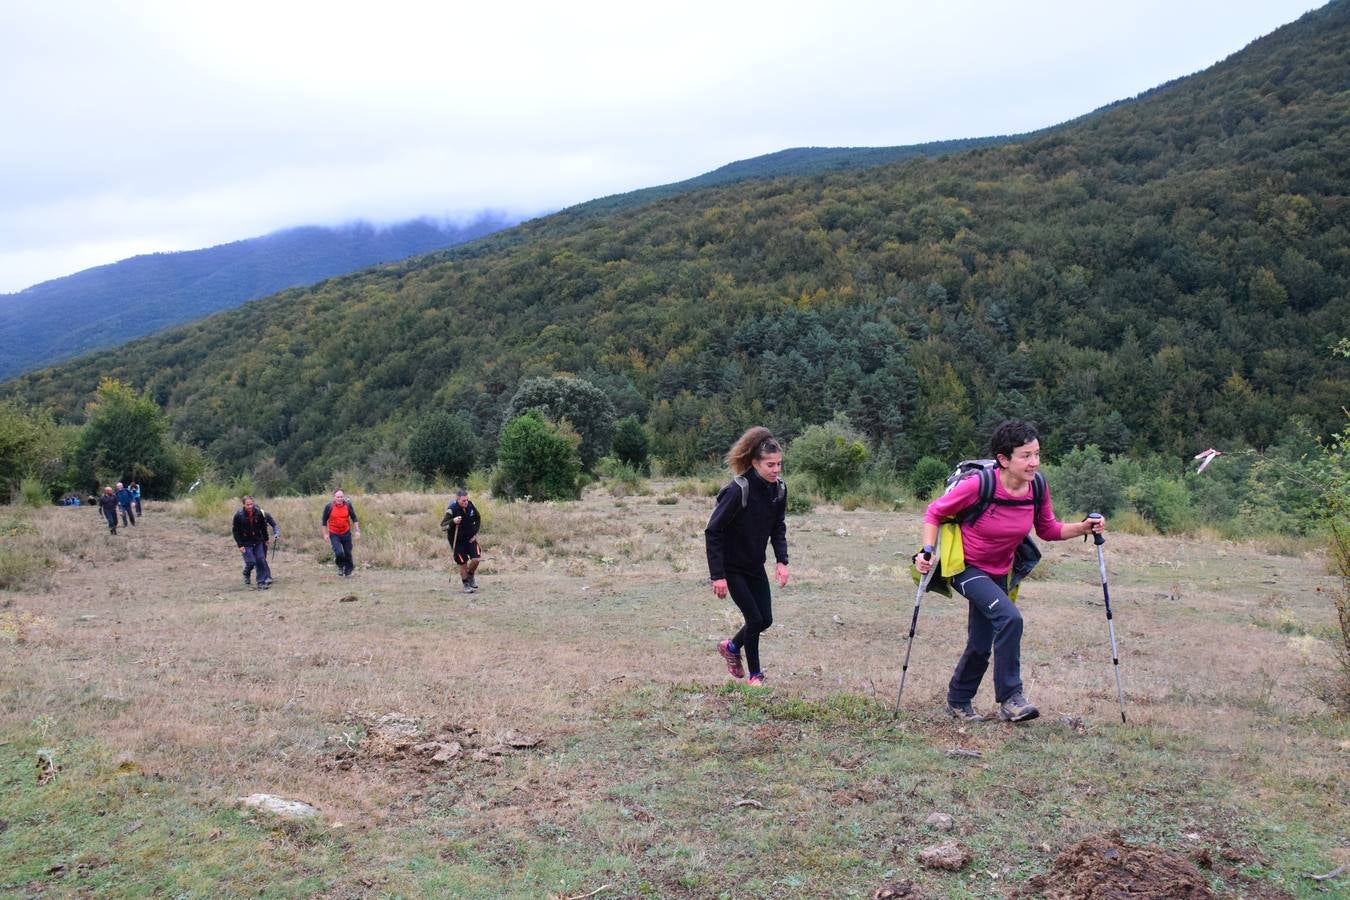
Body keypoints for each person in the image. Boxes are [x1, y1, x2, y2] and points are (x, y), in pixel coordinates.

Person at [915, 420, 1106, 724]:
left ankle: (958, 700)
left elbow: (1048, 529)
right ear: (1003, 460)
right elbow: (935, 511)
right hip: (966, 568)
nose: (1034, 462)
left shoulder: (1038, 487)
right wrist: (927, 551)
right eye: (1026, 456)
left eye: (1037, 454)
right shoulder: (980, 485)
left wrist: (1082, 527)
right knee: (1010, 618)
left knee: (981, 641)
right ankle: (1012, 698)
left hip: (1000, 573)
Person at [705, 426, 790, 688]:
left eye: (779, 464)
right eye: (770, 465)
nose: (776, 470)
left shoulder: (778, 490)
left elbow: (778, 526)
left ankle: (731, 646)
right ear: (754, 463)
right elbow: (713, 531)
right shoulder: (737, 490)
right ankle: (756, 675)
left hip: (755, 566)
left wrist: (781, 560)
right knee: (754, 619)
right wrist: (718, 576)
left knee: (766, 619)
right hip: (732, 568)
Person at [439, 488, 482, 593]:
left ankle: (470, 575)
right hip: (457, 542)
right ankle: (466, 585)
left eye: (467, 500)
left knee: (476, 559)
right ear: (457, 500)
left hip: (470, 539)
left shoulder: (471, 505)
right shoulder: (452, 509)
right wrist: (453, 521)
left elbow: (478, 518)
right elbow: (443, 526)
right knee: (463, 563)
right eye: (463, 501)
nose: (466, 502)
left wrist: (475, 533)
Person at [232, 495, 280, 589]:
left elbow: (263, 527)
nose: (250, 506)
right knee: (251, 562)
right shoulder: (238, 515)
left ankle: (261, 582)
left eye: (251, 504)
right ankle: (246, 573)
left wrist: (266, 539)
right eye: (248, 504)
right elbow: (235, 531)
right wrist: (240, 545)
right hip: (246, 542)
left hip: (258, 540)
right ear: (244, 505)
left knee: (261, 559)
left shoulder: (259, 513)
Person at [320, 489, 360, 577]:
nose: (339, 499)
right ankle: (340, 567)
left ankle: (348, 571)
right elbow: (324, 521)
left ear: (344, 497)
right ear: (334, 497)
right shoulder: (329, 507)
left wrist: (357, 531)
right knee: (339, 553)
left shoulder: (348, 505)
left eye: (341, 497)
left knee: (348, 553)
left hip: (346, 532)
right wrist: (325, 534)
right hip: (334, 534)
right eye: (338, 497)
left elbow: (354, 519)